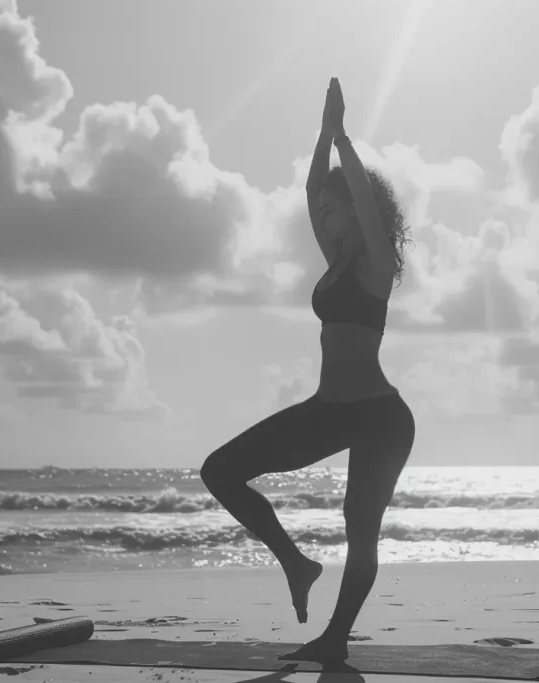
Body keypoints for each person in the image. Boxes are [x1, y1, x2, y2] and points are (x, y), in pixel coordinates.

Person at [199, 77, 416, 663]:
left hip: (379, 418)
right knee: (219, 470)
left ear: (355, 211)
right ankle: (297, 563)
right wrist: (321, 134)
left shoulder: (376, 265)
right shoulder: (336, 261)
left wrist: (345, 139)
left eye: (332, 205)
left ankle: (334, 641)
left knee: (360, 528)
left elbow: (366, 208)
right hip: (329, 411)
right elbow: (309, 184)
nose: (321, 209)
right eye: (321, 207)